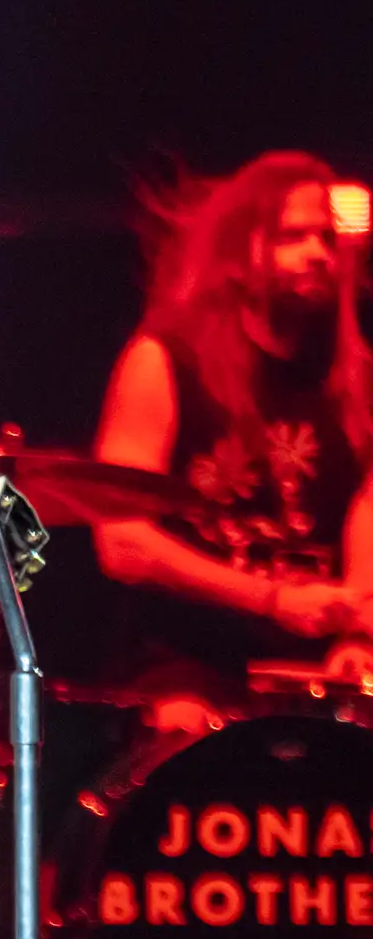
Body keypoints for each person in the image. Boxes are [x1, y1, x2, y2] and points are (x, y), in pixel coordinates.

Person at [90, 151, 373, 730]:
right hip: (186, 660)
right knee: (188, 743)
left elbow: (365, 515)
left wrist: (359, 635)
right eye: (294, 237)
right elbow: (121, 543)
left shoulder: (354, 380)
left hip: (318, 670)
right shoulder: (165, 360)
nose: (320, 253)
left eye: (326, 237)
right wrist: (270, 599)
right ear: (239, 251)